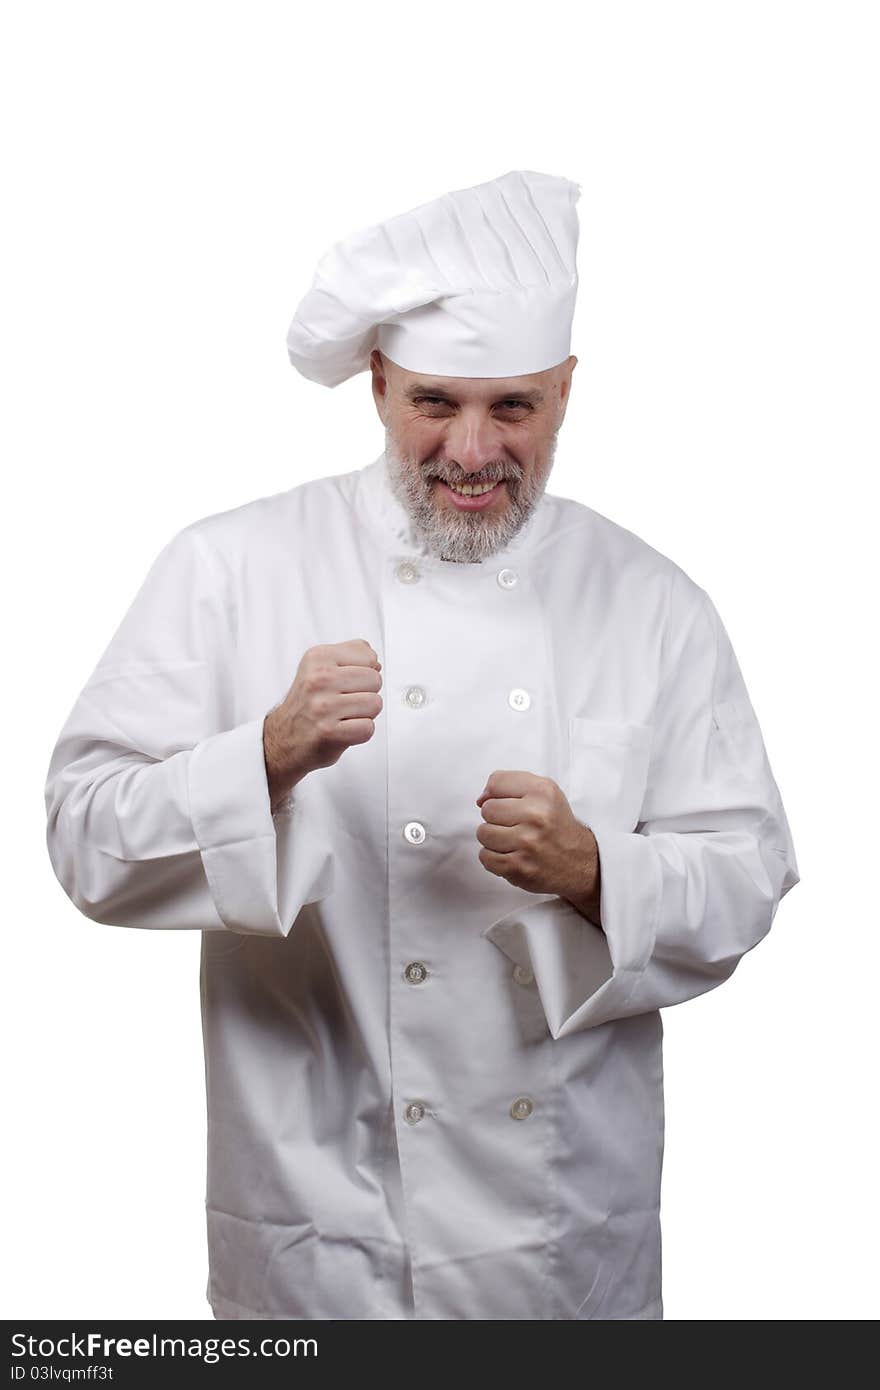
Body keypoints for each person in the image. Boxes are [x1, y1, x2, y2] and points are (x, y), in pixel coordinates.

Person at [44, 169, 800, 1321]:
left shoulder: (652, 601)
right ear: (380, 385)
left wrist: (599, 872)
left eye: (515, 407)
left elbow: (746, 875)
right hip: (320, 1237)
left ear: (566, 391)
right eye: (434, 402)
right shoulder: (232, 567)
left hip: (562, 1245)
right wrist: (266, 756)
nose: (471, 449)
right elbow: (83, 835)